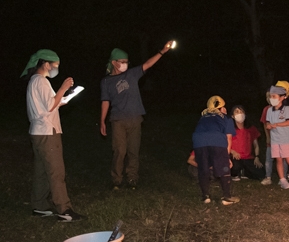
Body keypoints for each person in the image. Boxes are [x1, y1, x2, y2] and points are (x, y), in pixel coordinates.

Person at [100, 40, 174, 190]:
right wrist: (102, 121)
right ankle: (117, 180)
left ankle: (132, 178)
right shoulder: (106, 82)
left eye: (127, 62)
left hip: (135, 118)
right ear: (114, 63)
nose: (125, 64)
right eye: (122, 62)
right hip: (118, 120)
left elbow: (148, 64)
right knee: (120, 150)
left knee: (134, 150)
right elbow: (105, 101)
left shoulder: (131, 74)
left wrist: (162, 51)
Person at [21, 49, 86, 222]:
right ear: (46, 63)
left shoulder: (35, 81)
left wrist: (66, 97)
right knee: (56, 171)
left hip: (38, 132)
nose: (56, 68)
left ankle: (39, 205)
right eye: (55, 65)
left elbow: (51, 104)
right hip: (47, 132)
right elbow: (50, 106)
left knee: (41, 171)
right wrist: (63, 88)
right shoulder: (40, 81)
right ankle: (64, 209)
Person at [192, 96, 240, 206]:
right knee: (224, 168)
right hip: (216, 140)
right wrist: (226, 158)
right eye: (224, 107)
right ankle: (227, 197)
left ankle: (205, 197)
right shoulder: (226, 118)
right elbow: (228, 138)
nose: (226, 109)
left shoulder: (203, 117)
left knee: (203, 168)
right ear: (220, 108)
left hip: (198, 142)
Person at [230, 105, 265, 181]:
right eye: (237, 112)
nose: (240, 114)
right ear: (232, 116)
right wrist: (233, 152)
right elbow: (225, 144)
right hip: (235, 157)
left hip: (248, 157)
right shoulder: (230, 129)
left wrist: (257, 157)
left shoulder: (251, 128)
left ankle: (245, 172)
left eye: (241, 111)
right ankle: (236, 173)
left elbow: (256, 145)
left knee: (261, 173)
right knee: (235, 166)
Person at [260, 90, 288, 185]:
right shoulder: (266, 109)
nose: (270, 99)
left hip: (282, 138)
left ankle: (283, 178)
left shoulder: (284, 109)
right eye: (268, 97)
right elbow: (264, 124)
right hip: (271, 139)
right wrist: (268, 137)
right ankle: (268, 177)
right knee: (269, 158)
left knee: (283, 159)